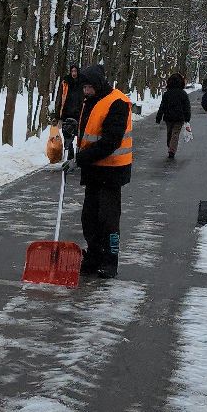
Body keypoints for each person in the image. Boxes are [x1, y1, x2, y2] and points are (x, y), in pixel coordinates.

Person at [70, 64, 133, 279]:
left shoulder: (118, 102)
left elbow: (110, 142)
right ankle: (94, 256)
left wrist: (80, 159)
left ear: (97, 84)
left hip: (112, 171)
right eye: (84, 87)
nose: (85, 91)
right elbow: (90, 130)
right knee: (89, 218)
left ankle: (110, 261)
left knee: (108, 220)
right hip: (93, 171)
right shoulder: (91, 100)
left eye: (88, 87)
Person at [154, 72, 192, 159]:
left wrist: (158, 117)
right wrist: (187, 117)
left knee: (169, 133)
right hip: (179, 118)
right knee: (175, 134)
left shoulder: (167, 94)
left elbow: (162, 106)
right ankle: (172, 149)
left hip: (168, 117)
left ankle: (170, 147)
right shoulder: (183, 94)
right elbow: (187, 107)